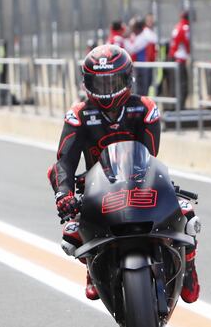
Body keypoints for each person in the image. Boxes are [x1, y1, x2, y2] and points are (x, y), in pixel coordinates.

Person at [47, 44, 200, 304]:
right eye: (99, 83)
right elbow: (65, 160)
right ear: (86, 82)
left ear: (128, 78)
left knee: (186, 213)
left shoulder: (145, 108)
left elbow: (150, 155)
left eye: (113, 82)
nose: (106, 91)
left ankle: (189, 270)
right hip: (97, 190)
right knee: (71, 231)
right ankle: (92, 266)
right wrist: (64, 194)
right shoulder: (78, 115)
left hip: (141, 182)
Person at [124, 17, 157, 96]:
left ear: (138, 28)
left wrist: (125, 40)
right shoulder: (144, 33)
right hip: (142, 66)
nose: (132, 30)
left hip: (143, 66)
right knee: (141, 88)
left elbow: (132, 49)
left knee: (141, 90)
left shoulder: (144, 36)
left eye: (133, 28)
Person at [168, 10, 190, 109]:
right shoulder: (185, 27)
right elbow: (187, 42)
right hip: (179, 60)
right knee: (182, 86)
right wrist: (189, 53)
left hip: (173, 58)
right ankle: (180, 108)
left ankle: (175, 107)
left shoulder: (178, 26)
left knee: (175, 85)